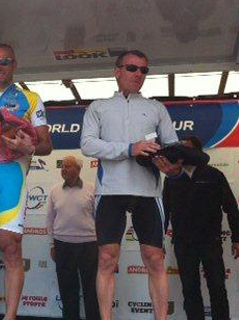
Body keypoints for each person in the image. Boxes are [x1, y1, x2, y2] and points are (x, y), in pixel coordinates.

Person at [81, 50, 178, 320]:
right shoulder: (98, 106)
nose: (138, 74)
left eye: (144, 70)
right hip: (110, 191)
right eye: (132, 68)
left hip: (148, 192)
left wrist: (172, 166)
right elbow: (87, 144)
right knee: (106, 259)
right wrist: (129, 148)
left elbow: (172, 147)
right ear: (117, 71)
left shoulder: (157, 107)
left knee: (155, 258)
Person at [0, 43, 53, 320]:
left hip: (11, 174)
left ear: (14, 64)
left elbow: (47, 145)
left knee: (10, 245)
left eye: (4, 62)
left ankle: (10, 316)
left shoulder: (31, 98)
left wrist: (28, 147)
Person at [160, 136, 239, 320]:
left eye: (187, 150)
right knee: (190, 290)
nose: (182, 154)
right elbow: (164, 211)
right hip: (183, 243)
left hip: (210, 242)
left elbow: (231, 207)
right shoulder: (171, 178)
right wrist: (158, 242)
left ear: (198, 152)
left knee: (217, 288)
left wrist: (238, 238)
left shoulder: (214, 175)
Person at [46, 156, 100, 320]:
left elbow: (100, 218)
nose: (64, 169)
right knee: (67, 288)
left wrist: (102, 244)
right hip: (62, 246)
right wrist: (51, 245)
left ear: (78, 169)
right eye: (62, 166)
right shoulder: (54, 190)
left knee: (92, 289)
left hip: (89, 245)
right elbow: (49, 219)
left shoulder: (92, 189)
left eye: (68, 166)